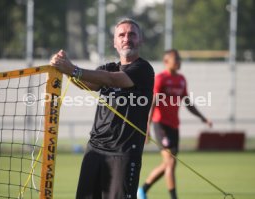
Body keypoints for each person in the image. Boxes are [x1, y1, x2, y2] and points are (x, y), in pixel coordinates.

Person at [50, 18, 154, 199]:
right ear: (115, 42)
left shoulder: (143, 69)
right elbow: (88, 84)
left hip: (124, 152)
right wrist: (63, 67)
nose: (126, 38)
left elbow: (112, 79)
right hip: (95, 149)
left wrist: (72, 69)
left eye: (132, 34)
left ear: (140, 40)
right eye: (121, 35)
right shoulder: (107, 68)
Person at [137, 49, 212, 199]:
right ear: (166, 62)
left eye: (179, 59)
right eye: (175, 59)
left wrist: (203, 118)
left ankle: (143, 189)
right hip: (161, 125)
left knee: (168, 164)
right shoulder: (160, 79)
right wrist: (147, 127)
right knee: (170, 162)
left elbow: (187, 103)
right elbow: (152, 103)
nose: (179, 62)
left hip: (174, 127)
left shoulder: (182, 79)